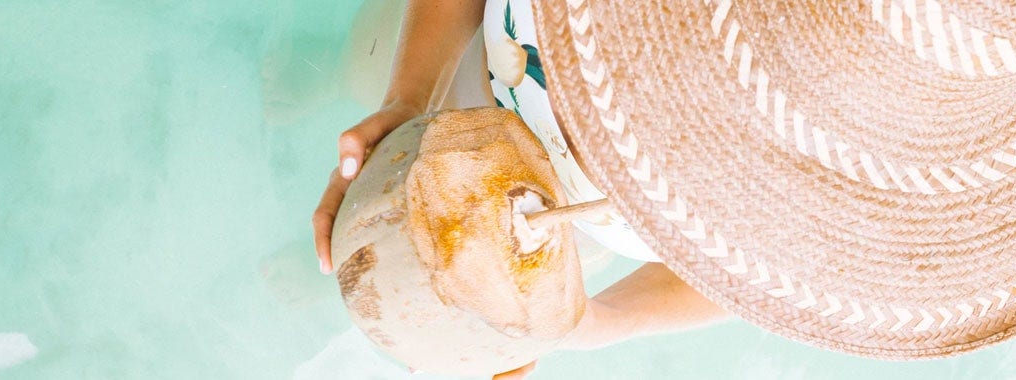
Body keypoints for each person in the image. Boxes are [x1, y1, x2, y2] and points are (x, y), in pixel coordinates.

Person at [311, 1, 732, 378]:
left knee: (582, 253)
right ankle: (336, 76)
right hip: (473, 82)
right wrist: (406, 100)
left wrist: (593, 320)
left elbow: (747, 280)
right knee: (365, 65)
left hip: (580, 231)